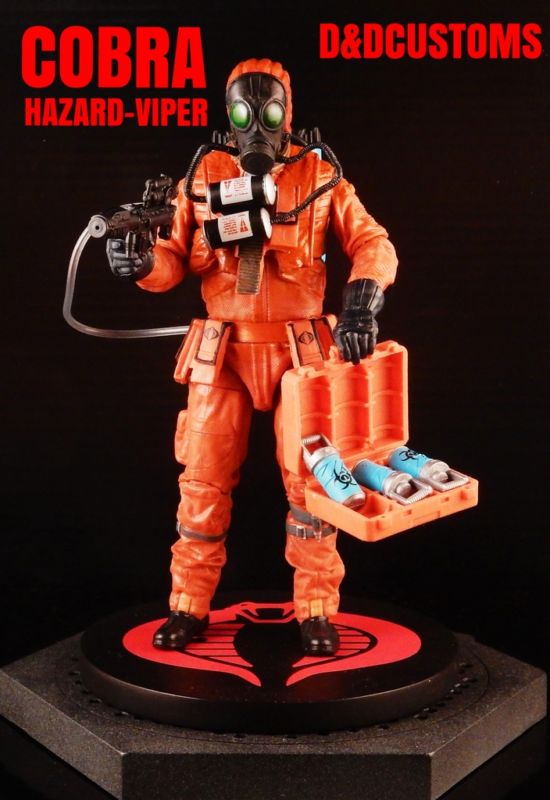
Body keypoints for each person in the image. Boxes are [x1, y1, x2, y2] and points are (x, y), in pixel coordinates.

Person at [107, 58, 398, 656]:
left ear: (287, 114)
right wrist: (141, 263)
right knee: (203, 481)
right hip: (224, 351)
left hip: (302, 354)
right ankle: (187, 603)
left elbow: (372, 241)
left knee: (315, 483)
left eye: (268, 111)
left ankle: (316, 606)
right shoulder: (202, 177)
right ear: (228, 114)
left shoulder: (321, 175)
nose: (255, 126)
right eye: (242, 112)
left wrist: (363, 299)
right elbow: (173, 260)